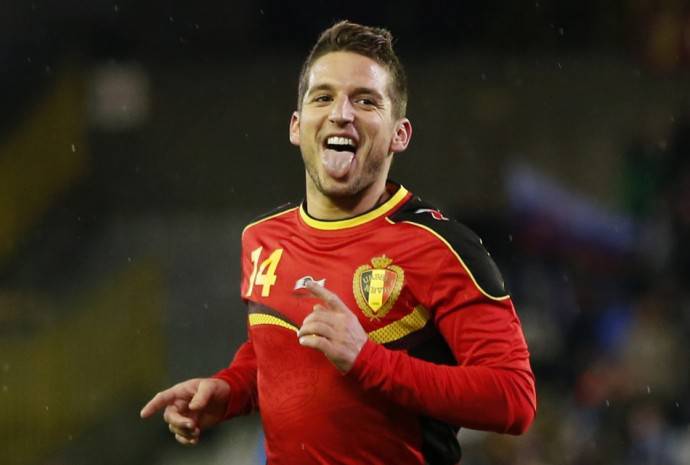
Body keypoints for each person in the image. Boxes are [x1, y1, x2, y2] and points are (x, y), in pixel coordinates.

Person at [140, 20, 536, 465]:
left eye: (365, 100)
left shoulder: (441, 247)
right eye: (323, 97)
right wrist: (229, 390)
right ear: (296, 126)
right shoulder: (262, 239)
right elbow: (279, 353)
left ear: (399, 134)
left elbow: (514, 398)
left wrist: (368, 360)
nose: (341, 113)